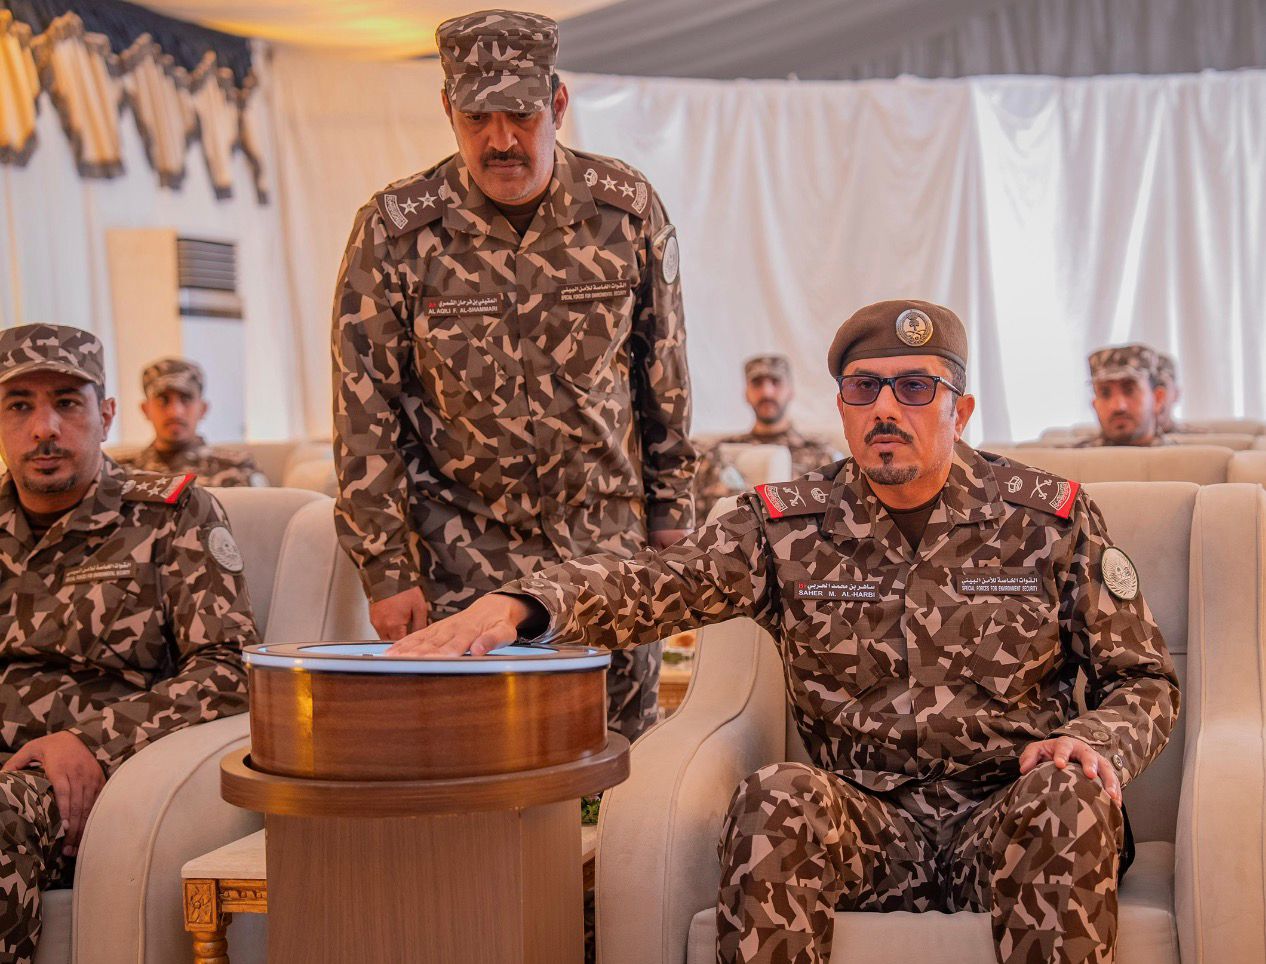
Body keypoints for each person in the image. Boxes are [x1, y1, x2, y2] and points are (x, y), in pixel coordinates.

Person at [391, 299, 1179, 964]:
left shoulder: (1048, 520)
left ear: (959, 409)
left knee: (1069, 796)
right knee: (777, 795)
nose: (885, 409)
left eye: (914, 387)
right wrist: (522, 604)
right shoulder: (786, 528)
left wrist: (1096, 743)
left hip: (1011, 815)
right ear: (842, 408)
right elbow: (656, 583)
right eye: (863, 388)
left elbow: (1143, 678)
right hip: (867, 824)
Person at [332, 9, 694, 740]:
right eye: (477, 118)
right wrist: (386, 568)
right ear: (448, 110)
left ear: (557, 105)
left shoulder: (624, 211)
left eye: (521, 115)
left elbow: (664, 375)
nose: (500, 139)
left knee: (618, 753)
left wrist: (673, 518)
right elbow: (363, 410)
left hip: (605, 546)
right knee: (473, 758)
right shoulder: (396, 232)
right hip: (460, 551)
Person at [0, 325, 256, 962]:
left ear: (107, 414)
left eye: (67, 403)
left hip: (78, 785)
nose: (44, 428)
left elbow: (231, 667)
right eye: (19, 406)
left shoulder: (168, 514)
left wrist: (92, 741)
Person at [694, 354, 843, 520]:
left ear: (790, 391)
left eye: (775, 382)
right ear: (746, 394)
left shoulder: (820, 454)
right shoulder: (720, 452)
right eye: (757, 384)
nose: (766, 392)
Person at [118, 358, 268, 486]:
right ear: (145, 410)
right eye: (163, 400)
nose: (175, 412)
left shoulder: (238, 468)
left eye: (186, 399)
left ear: (203, 409)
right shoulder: (120, 473)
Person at [1072, 345, 1172, 448]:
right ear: (1094, 404)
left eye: (1130, 391)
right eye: (1105, 393)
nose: (1118, 407)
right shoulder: (1073, 457)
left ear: (1158, 399)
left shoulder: (1179, 457)